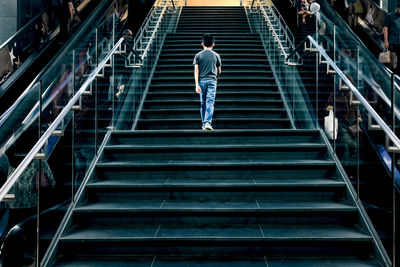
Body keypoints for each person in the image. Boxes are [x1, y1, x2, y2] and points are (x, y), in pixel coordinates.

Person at [193, 33, 222, 131]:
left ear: (202, 43)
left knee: (203, 102)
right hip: (212, 81)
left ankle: (204, 123)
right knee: (210, 101)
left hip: (201, 81)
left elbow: (196, 70)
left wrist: (196, 84)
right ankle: (207, 122)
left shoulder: (198, 55)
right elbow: (219, 71)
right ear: (213, 44)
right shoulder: (217, 55)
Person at [383, 1, 400, 74]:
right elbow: (385, 28)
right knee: (392, 63)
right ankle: (390, 77)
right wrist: (386, 41)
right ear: (398, 8)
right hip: (392, 42)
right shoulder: (389, 16)